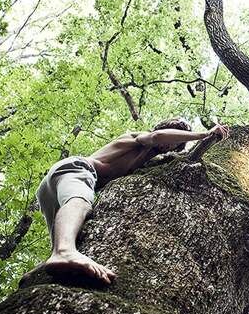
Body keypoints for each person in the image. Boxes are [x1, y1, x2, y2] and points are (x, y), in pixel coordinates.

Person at [24, 119, 229, 285]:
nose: (169, 144)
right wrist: (205, 135)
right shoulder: (138, 138)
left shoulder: (144, 162)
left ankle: (36, 275)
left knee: (68, 233)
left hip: (52, 187)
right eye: (172, 135)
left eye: (175, 144)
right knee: (80, 205)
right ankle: (64, 251)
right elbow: (157, 136)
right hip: (78, 169)